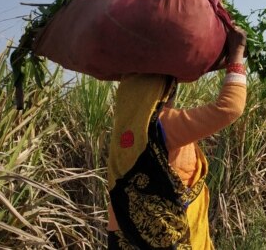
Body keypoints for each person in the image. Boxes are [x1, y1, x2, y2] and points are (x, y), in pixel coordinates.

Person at [106, 25, 248, 249]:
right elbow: (230, 107)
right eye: (171, 85)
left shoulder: (126, 131)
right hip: (173, 238)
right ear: (162, 91)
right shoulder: (164, 125)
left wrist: (223, 58)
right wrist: (237, 55)